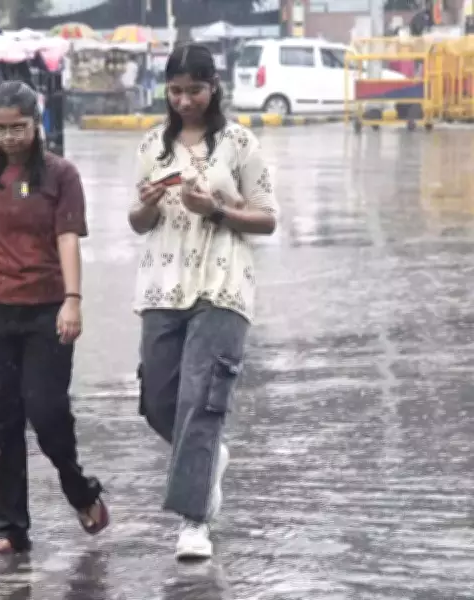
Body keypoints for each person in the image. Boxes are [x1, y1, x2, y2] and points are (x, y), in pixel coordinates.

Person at [129, 43, 278, 561]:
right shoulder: (152, 145)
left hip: (223, 283)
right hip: (161, 284)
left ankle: (195, 522)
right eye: (175, 91)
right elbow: (138, 222)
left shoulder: (239, 143)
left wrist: (214, 209)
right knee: (157, 401)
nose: (184, 100)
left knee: (201, 401)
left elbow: (267, 218)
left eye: (194, 90)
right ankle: (209, 456)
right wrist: (147, 206)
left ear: (213, 88)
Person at [0, 80, 109, 555]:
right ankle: (10, 526)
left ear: (37, 124)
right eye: (0, 129)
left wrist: (72, 299)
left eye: (18, 127)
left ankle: (79, 489)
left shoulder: (61, 175)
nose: (10, 137)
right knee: (1, 418)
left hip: (46, 310)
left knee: (46, 411)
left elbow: (67, 239)